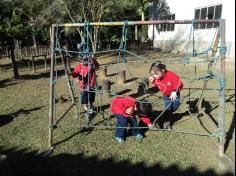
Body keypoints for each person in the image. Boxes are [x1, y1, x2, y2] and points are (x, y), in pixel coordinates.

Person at [149, 61, 183, 129]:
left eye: (156, 74)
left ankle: (168, 114)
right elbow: (158, 84)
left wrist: (174, 91)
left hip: (175, 94)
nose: (155, 76)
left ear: (163, 70)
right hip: (166, 95)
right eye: (153, 74)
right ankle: (167, 122)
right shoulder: (156, 78)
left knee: (175, 107)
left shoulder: (170, 74)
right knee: (168, 108)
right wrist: (153, 81)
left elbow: (178, 82)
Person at [68, 55, 100, 121]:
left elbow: (97, 66)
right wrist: (71, 73)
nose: (85, 61)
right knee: (84, 102)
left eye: (87, 59)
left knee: (91, 99)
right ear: (81, 60)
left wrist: (92, 58)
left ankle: (91, 109)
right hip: (84, 86)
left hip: (91, 85)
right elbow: (75, 74)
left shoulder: (91, 65)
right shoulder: (80, 66)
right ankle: (88, 111)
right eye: (84, 60)